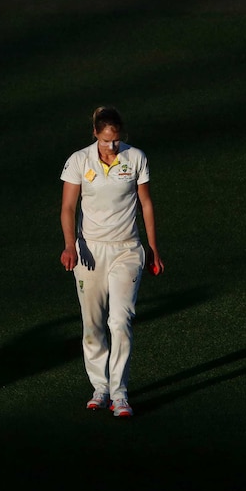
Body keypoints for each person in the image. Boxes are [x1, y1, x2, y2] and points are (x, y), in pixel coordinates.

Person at [59, 106, 164, 418]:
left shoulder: (136, 158)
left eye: (117, 140)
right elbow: (67, 207)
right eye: (106, 141)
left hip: (127, 250)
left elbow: (145, 203)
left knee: (120, 321)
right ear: (95, 134)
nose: (112, 147)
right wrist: (70, 245)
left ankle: (120, 394)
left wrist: (153, 247)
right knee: (92, 324)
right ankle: (100, 389)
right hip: (89, 251)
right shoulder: (79, 160)